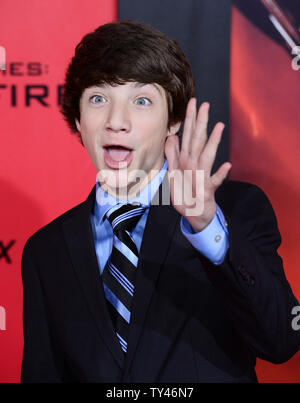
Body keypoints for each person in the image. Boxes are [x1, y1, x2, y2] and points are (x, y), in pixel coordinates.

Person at [21, 20, 300, 383]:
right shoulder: (47, 250)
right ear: (77, 117)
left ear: (174, 120)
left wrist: (207, 226)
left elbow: (281, 340)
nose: (116, 122)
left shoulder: (233, 209)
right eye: (98, 99)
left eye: (141, 101)